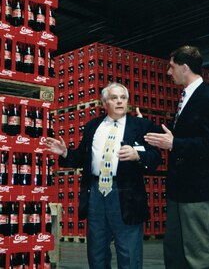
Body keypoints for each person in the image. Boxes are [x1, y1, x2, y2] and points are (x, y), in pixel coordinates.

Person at [44, 82, 161, 269]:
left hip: (126, 195)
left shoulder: (142, 125)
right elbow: (83, 157)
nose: (120, 102)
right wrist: (65, 153)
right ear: (104, 103)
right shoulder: (93, 126)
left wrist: (138, 155)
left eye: (123, 98)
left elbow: (156, 158)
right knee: (96, 250)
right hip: (96, 194)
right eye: (114, 98)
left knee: (129, 251)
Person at [143, 45, 209, 269]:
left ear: (185, 67)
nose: (168, 73)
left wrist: (175, 143)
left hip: (196, 193)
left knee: (197, 255)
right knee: (175, 252)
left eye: (171, 67)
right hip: (177, 191)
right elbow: (184, 136)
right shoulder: (185, 98)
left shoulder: (206, 97)